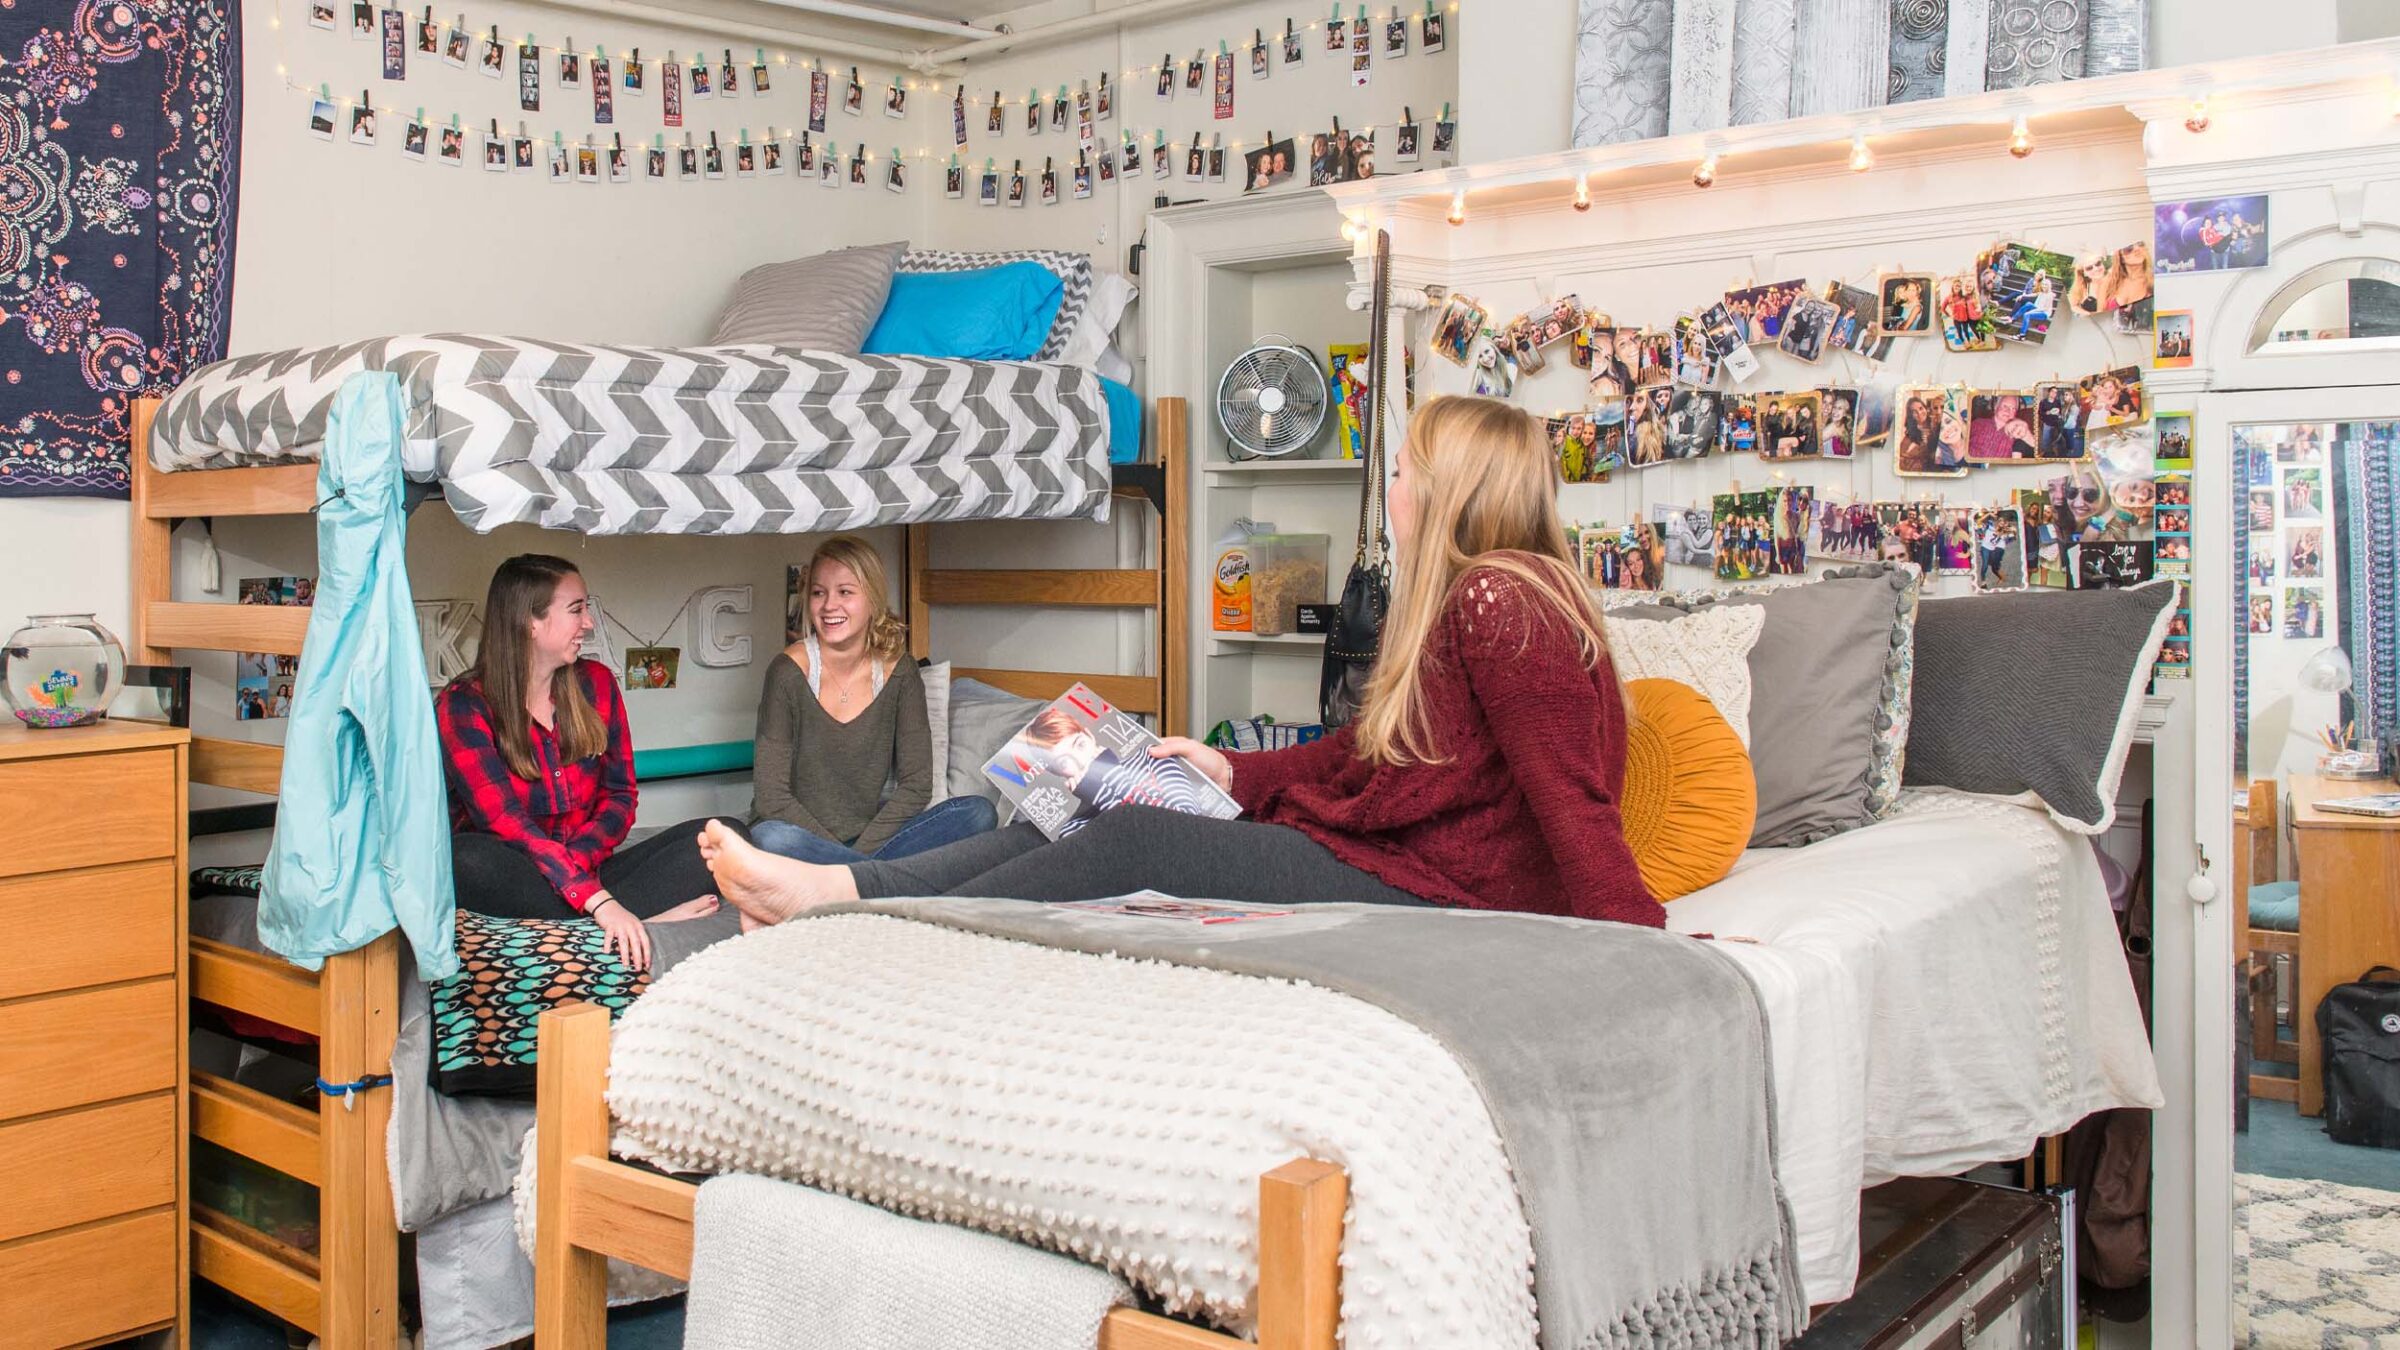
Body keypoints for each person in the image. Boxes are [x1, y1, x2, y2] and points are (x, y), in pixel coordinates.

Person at [695, 396, 1660, 932]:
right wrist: (1231, 770)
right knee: (1079, 805)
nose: (1394, 486)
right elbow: (1369, 754)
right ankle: (844, 893)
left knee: (1138, 840)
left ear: (1451, 491)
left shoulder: (1501, 599)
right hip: (1409, 863)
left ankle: (862, 909)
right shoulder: (1482, 596)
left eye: (1404, 470)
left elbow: (1573, 798)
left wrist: (1640, 946)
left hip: (1437, 887)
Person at [437, 556, 729, 971]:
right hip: (517, 879)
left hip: (587, 871)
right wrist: (601, 903)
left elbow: (620, 796)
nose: (588, 623)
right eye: (576, 610)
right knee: (466, 858)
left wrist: (579, 872)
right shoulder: (464, 705)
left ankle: (584, 931)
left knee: (724, 838)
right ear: (529, 622)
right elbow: (504, 822)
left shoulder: (597, 683)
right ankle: (618, 930)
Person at [752, 537, 998, 865]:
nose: (829, 606)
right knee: (771, 837)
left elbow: (916, 786)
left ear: (872, 597)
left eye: (845, 592)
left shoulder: (901, 671)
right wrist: (854, 862)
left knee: (978, 812)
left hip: (868, 839)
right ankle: (870, 877)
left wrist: (857, 855)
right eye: (818, 593)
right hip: (797, 839)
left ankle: (853, 878)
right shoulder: (787, 672)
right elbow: (771, 799)